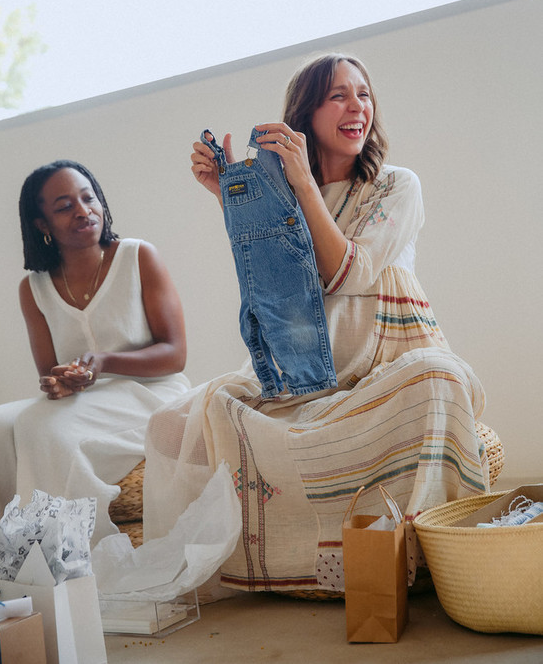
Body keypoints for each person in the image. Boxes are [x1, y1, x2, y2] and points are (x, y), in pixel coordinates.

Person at [143, 53, 488, 594]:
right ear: (306, 113)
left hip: (380, 371)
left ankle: (405, 555)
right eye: (339, 95)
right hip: (301, 372)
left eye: (365, 94)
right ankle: (274, 570)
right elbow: (280, 276)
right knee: (168, 426)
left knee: (439, 378)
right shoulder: (279, 191)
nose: (358, 107)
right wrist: (232, 198)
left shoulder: (396, 185)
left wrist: (300, 180)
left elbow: (349, 271)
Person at [0, 160, 190, 545]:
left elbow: (175, 355)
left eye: (88, 198)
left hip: (151, 392)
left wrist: (104, 362)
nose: (82, 210)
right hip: (87, 401)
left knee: (38, 425)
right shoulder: (34, 288)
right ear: (42, 225)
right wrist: (61, 382)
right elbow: (49, 372)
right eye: (64, 206)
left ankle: (61, 559)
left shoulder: (138, 256)